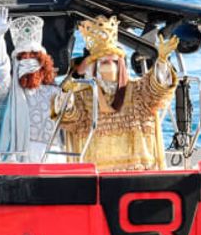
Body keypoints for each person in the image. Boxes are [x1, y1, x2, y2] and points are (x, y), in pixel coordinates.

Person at [53, 15, 179, 171]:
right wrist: (68, 88)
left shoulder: (138, 91)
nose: (110, 67)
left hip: (138, 175)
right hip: (97, 179)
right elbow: (67, 115)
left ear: (122, 65)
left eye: (114, 62)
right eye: (105, 62)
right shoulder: (83, 97)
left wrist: (161, 60)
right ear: (94, 67)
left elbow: (158, 89)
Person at [0, 7, 64, 162]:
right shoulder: (8, 92)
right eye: (23, 56)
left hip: (52, 160)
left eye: (33, 55)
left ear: (43, 61)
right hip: (18, 161)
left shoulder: (56, 92)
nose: (28, 60)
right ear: (16, 61)